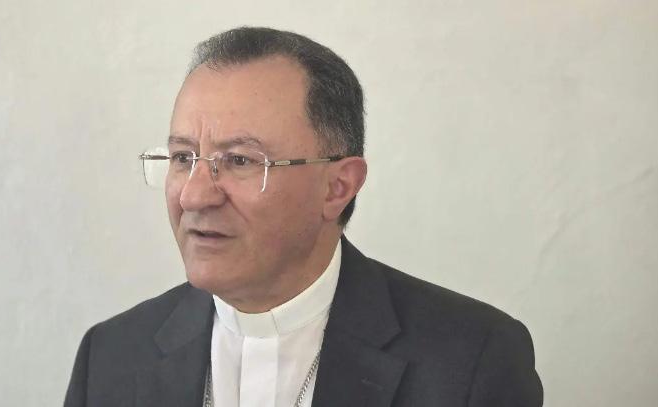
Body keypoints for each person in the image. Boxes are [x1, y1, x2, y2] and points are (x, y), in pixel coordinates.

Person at [64, 26, 543, 407]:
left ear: (338, 186)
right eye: (183, 158)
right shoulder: (110, 357)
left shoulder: (471, 360)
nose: (193, 195)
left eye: (240, 160)